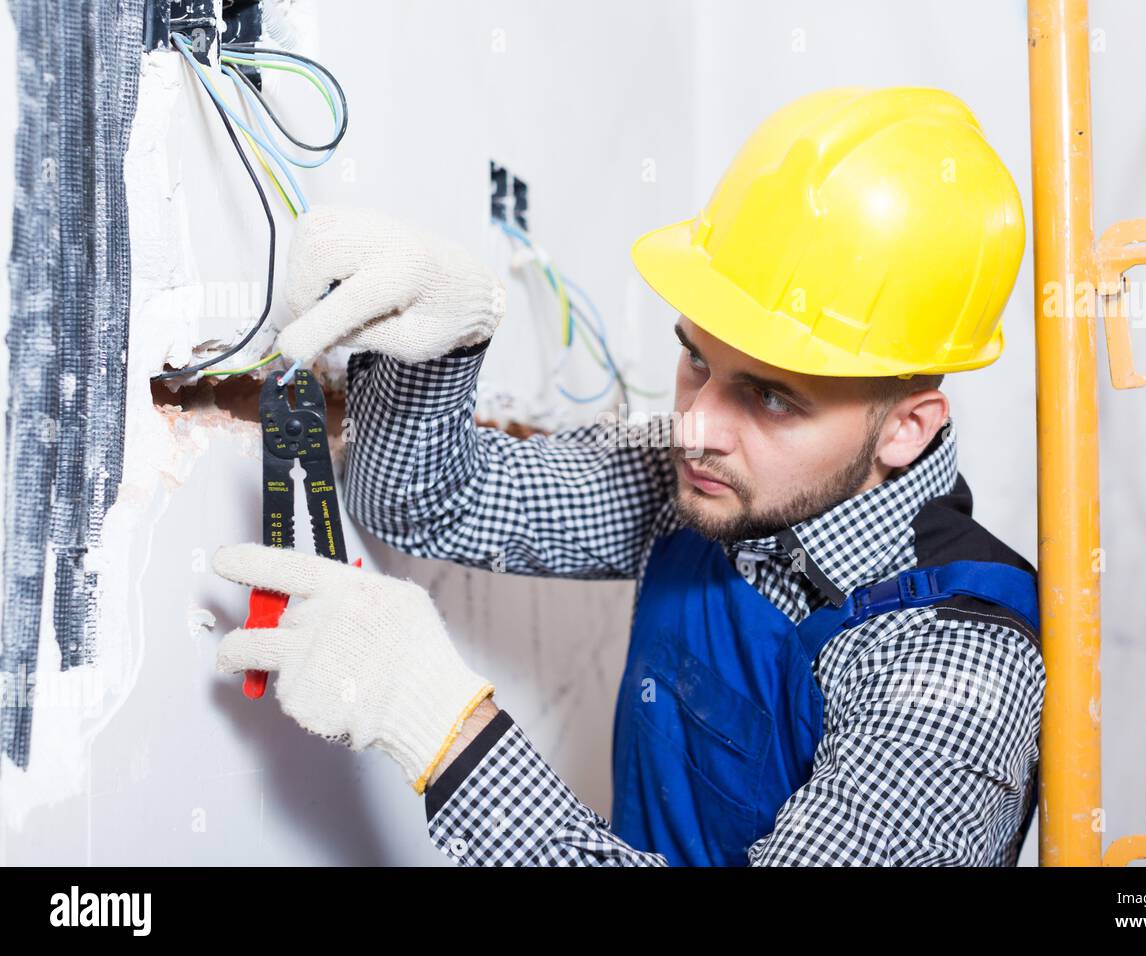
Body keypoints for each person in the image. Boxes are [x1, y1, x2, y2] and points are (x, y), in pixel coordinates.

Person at [213, 86, 1045, 866]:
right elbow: (425, 503)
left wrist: (446, 734)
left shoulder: (956, 672)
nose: (697, 426)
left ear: (906, 428)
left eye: (771, 397)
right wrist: (446, 347)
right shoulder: (701, 473)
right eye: (694, 360)